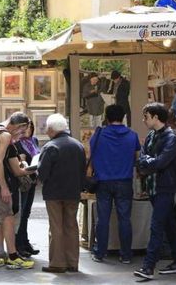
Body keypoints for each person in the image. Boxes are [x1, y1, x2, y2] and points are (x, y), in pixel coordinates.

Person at [134, 102, 176, 280]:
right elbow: (142, 160)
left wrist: (148, 162)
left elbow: (160, 162)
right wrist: (149, 162)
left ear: (156, 117)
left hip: (166, 187)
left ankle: (148, 267)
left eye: (146, 117)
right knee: (168, 224)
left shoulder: (171, 138)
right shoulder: (151, 135)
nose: (144, 120)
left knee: (157, 226)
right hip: (153, 186)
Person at [0, 112, 35, 270]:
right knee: (8, 217)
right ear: (19, 126)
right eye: (22, 130)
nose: (22, 134)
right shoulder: (5, 136)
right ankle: (12, 257)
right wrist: (4, 187)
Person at [90, 105, 140, 264]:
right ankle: (126, 255)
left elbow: (91, 153)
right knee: (124, 219)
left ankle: (100, 253)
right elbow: (137, 157)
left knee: (102, 218)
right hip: (124, 181)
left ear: (107, 117)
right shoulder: (133, 135)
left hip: (103, 181)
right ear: (124, 116)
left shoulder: (98, 135)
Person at [38, 113, 86, 273]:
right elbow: (82, 170)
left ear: (52, 129)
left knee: (56, 227)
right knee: (71, 226)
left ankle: (58, 263)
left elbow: (43, 173)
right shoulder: (78, 145)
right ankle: (73, 262)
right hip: (73, 192)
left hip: (54, 193)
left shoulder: (50, 147)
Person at [14, 121, 40, 257]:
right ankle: (19, 244)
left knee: (27, 213)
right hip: (23, 181)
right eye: (24, 127)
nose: (27, 130)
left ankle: (25, 241)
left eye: (30, 127)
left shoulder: (34, 140)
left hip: (33, 180)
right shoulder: (17, 142)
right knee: (22, 212)